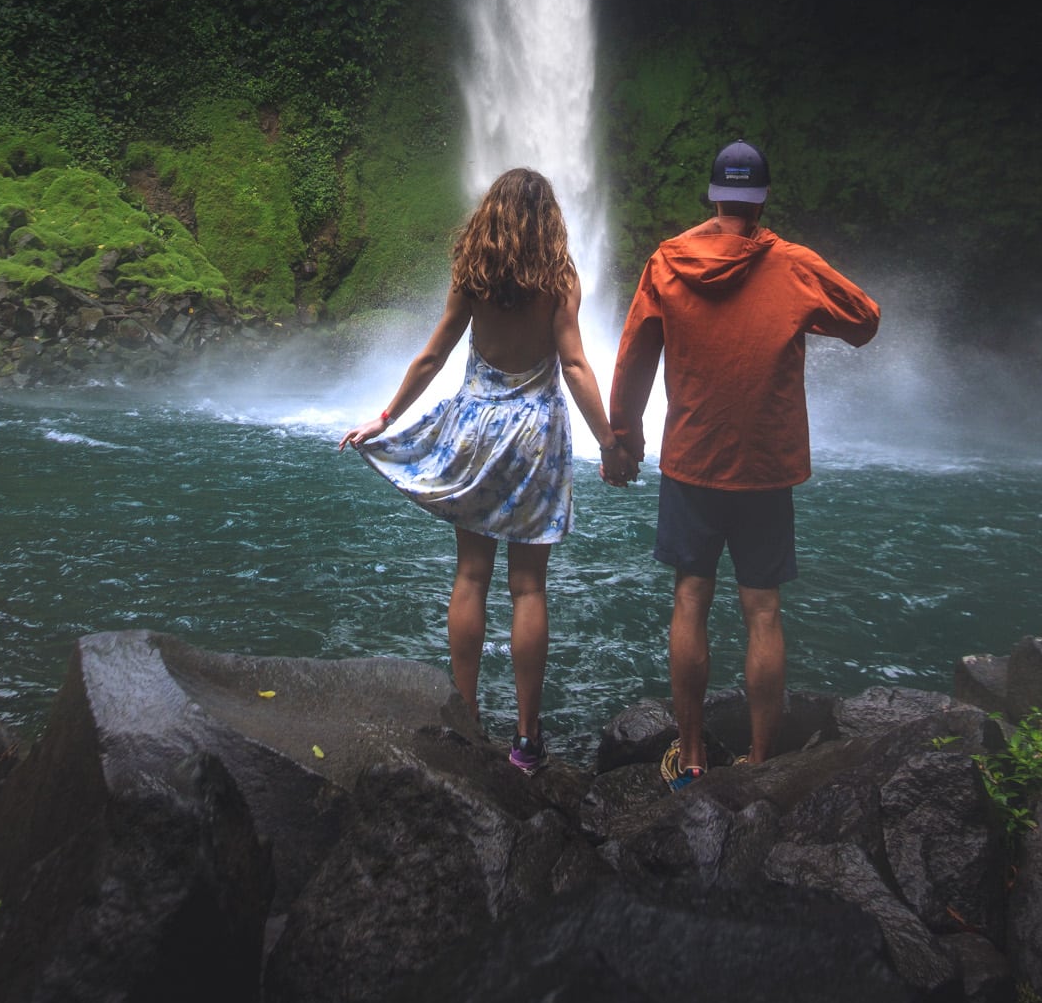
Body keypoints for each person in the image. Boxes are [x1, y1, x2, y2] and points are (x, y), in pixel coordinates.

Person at [341, 167, 635, 772]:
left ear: (491, 216)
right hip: (534, 436)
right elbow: (576, 366)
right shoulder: (560, 278)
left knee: (470, 575)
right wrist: (608, 441)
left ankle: (468, 717)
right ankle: (528, 738)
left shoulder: (472, 274)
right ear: (548, 220)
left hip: (475, 428)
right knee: (529, 586)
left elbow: (433, 354)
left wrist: (385, 417)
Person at [610, 139, 880, 789]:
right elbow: (865, 320)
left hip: (690, 461)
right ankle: (760, 763)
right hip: (764, 468)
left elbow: (634, 356)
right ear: (761, 199)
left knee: (689, 598)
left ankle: (694, 752)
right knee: (762, 611)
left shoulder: (668, 259)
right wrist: (800, 316)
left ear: (711, 196)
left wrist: (624, 436)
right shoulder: (791, 265)